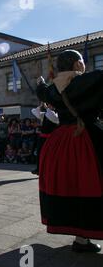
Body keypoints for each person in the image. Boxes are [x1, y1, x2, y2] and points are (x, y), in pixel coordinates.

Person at [36, 49, 103, 253]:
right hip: (87, 138)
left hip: (60, 141)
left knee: (74, 186)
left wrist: (41, 83)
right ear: (76, 64)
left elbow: (42, 91)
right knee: (91, 183)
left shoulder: (52, 89)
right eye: (82, 61)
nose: (84, 65)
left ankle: (81, 239)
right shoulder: (91, 80)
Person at [30, 103, 59, 175]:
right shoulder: (45, 114)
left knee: (50, 155)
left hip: (51, 139)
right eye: (49, 104)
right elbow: (34, 111)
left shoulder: (56, 115)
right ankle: (38, 169)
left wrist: (46, 108)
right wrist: (40, 106)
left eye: (50, 105)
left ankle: (50, 169)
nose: (49, 106)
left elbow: (53, 117)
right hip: (42, 137)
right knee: (39, 154)